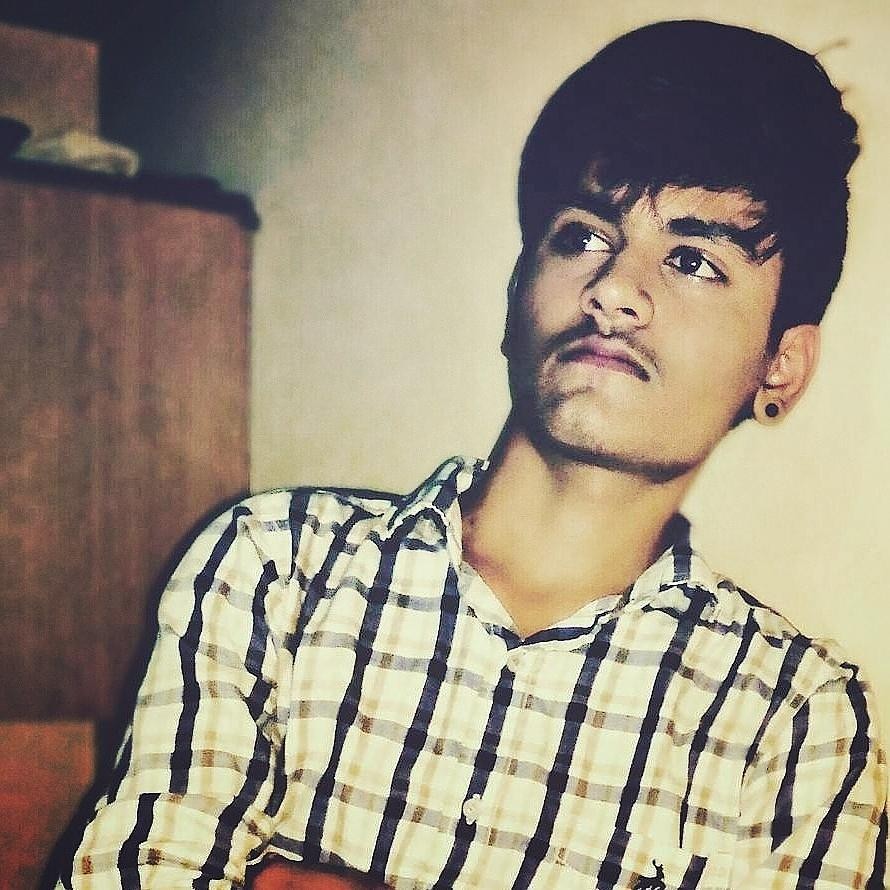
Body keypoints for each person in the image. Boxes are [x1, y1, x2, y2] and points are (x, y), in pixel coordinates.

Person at [56, 19, 886, 890]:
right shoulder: (276, 566)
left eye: (693, 260)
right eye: (583, 236)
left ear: (781, 368)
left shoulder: (797, 720)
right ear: (516, 293)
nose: (614, 290)